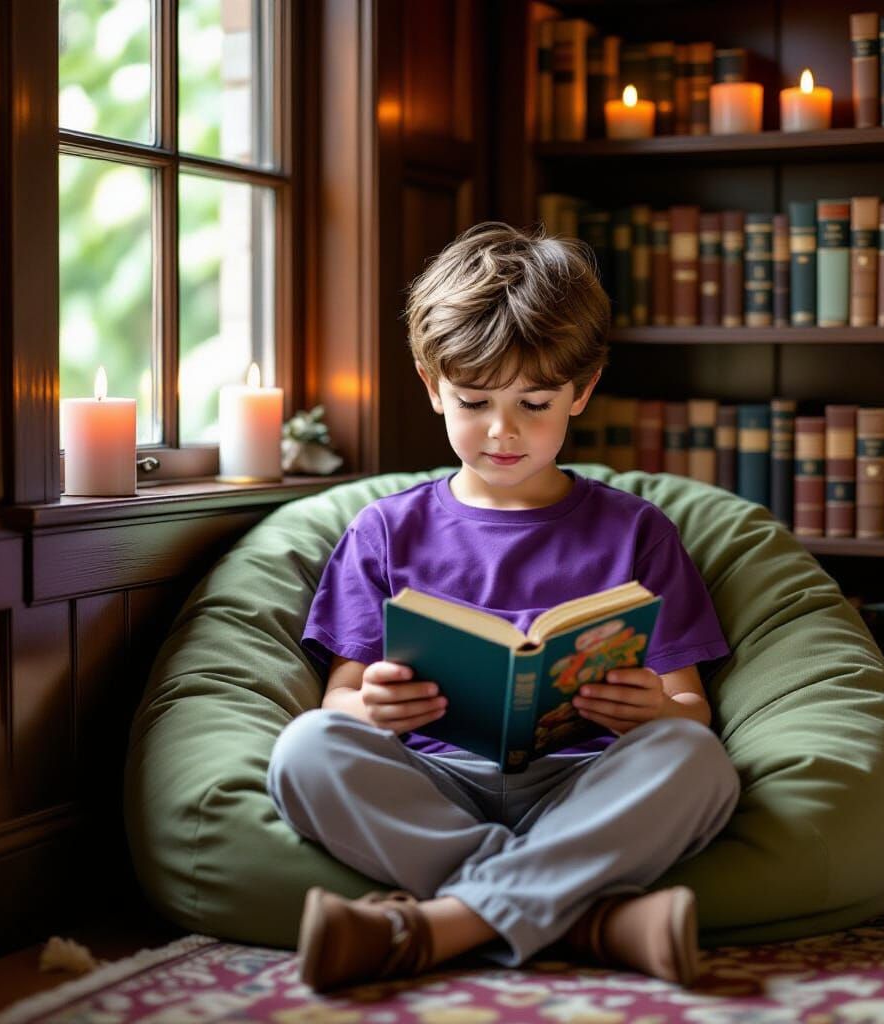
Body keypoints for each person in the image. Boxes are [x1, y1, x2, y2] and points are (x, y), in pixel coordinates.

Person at [266, 221, 741, 992]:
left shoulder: (639, 532)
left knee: (699, 764)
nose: (502, 430)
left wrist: (656, 710)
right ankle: (592, 922)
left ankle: (430, 929)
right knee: (304, 750)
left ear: (581, 390)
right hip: (435, 783)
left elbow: (694, 714)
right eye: (474, 400)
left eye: (536, 401)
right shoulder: (385, 531)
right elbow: (340, 701)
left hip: (585, 786)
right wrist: (373, 708)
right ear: (431, 385)